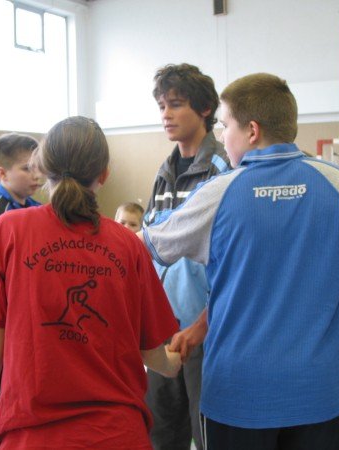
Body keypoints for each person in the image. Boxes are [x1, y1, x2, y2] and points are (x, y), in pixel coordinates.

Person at [142, 73, 339, 450]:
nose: (221, 135)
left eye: (225, 125)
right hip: (323, 394)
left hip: (239, 397)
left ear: (252, 131)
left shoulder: (215, 196)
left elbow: (145, 247)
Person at [0, 116, 182, 450]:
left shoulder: (8, 231)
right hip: (116, 435)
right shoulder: (127, 244)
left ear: (41, 167)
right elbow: (150, 352)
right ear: (104, 174)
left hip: (31, 435)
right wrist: (171, 364)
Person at [143, 62, 230, 450]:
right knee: (160, 433)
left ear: (205, 109)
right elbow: (154, 252)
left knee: (208, 434)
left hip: (207, 332)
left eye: (176, 105)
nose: (166, 114)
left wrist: (202, 324)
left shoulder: (224, 170)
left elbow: (234, 262)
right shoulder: (163, 173)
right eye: (162, 106)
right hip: (162, 330)